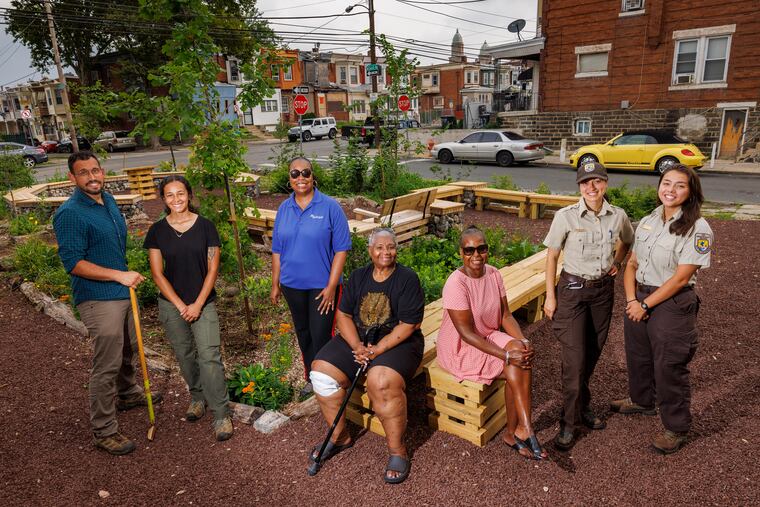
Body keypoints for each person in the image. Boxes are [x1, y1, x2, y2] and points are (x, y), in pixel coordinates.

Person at [53, 151, 162, 455]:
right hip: (98, 297)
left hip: (121, 289)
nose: (92, 177)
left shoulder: (109, 200)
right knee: (107, 363)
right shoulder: (70, 213)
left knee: (128, 347)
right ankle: (104, 429)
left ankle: (127, 393)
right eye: (83, 173)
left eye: (95, 170)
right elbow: (73, 262)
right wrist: (119, 275)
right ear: (71, 178)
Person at [309, 228, 424, 484]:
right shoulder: (359, 276)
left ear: (396, 249)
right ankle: (339, 437)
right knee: (320, 372)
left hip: (398, 341)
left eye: (391, 247)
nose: (386, 252)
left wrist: (377, 350)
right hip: (360, 338)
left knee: (380, 381)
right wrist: (358, 347)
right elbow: (343, 316)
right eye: (380, 247)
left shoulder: (407, 278)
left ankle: (398, 451)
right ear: (370, 251)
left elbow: (409, 325)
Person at [612, 164, 712, 454]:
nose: (670, 189)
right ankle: (642, 401)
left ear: (691, 191)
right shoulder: (648, 220)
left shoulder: (698, 228)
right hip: (639, 295)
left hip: (671, 301)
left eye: (679, 185)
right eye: (666, 183)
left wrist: (645, 304)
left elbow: (682, 278)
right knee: (639, 355)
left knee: (669, 365)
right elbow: (631, 263)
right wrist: (632, 300)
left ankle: (676, 427)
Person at [543, 161, 633, 450]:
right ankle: (568, 423)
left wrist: (617, 262)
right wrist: (550, 295)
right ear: (579, 186)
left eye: (596, 181)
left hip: (602, 294)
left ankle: (582, 407)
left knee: (592, 354)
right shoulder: (566, 216)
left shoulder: (617, 216)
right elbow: (552, 257)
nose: (591, 187)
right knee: (574, 360)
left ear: (605, 183)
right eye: (585, 182)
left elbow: (627, 242)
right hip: (571, 292)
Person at [437, 226, 548, 460]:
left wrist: (523, 340)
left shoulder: (494, 274)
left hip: (486, 334)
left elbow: (506, 315)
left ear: (487, 250)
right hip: (461, 346)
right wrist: (505, 355)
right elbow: (466, 333)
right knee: (514, 364)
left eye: (481, 249)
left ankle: (519, 430)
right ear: (461, 252)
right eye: (469, 250)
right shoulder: (456, 283)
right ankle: (520, 430)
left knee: (522, 352)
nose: (476, 255)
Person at [143, 175, 233, 441]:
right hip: (172, 305)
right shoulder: (157, 231)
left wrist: (197, 303)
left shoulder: (206, 227)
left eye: (180, 193)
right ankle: (197, 397)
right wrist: (182, 305)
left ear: (189, 195)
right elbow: (157, 274)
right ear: (163, 199)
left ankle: (221, 414)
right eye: (169, 195)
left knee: (210, 357)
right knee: (184, 354)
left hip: (203, 303)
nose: (176, 199)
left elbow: (213, 268)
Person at [270, 157, 351, 396]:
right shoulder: (284, 209)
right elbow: (277, 250)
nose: (300, 178)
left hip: (321, 288)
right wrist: (275, 284)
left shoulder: (329, 207)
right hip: (292, 286)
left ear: (313, 176)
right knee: (303, 333)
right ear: (289, 179)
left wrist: (331, 285)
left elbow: (341, 249)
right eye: (295, 174)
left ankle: (327, 380)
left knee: (322, 335)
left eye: (305, 172)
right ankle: (311, 378)